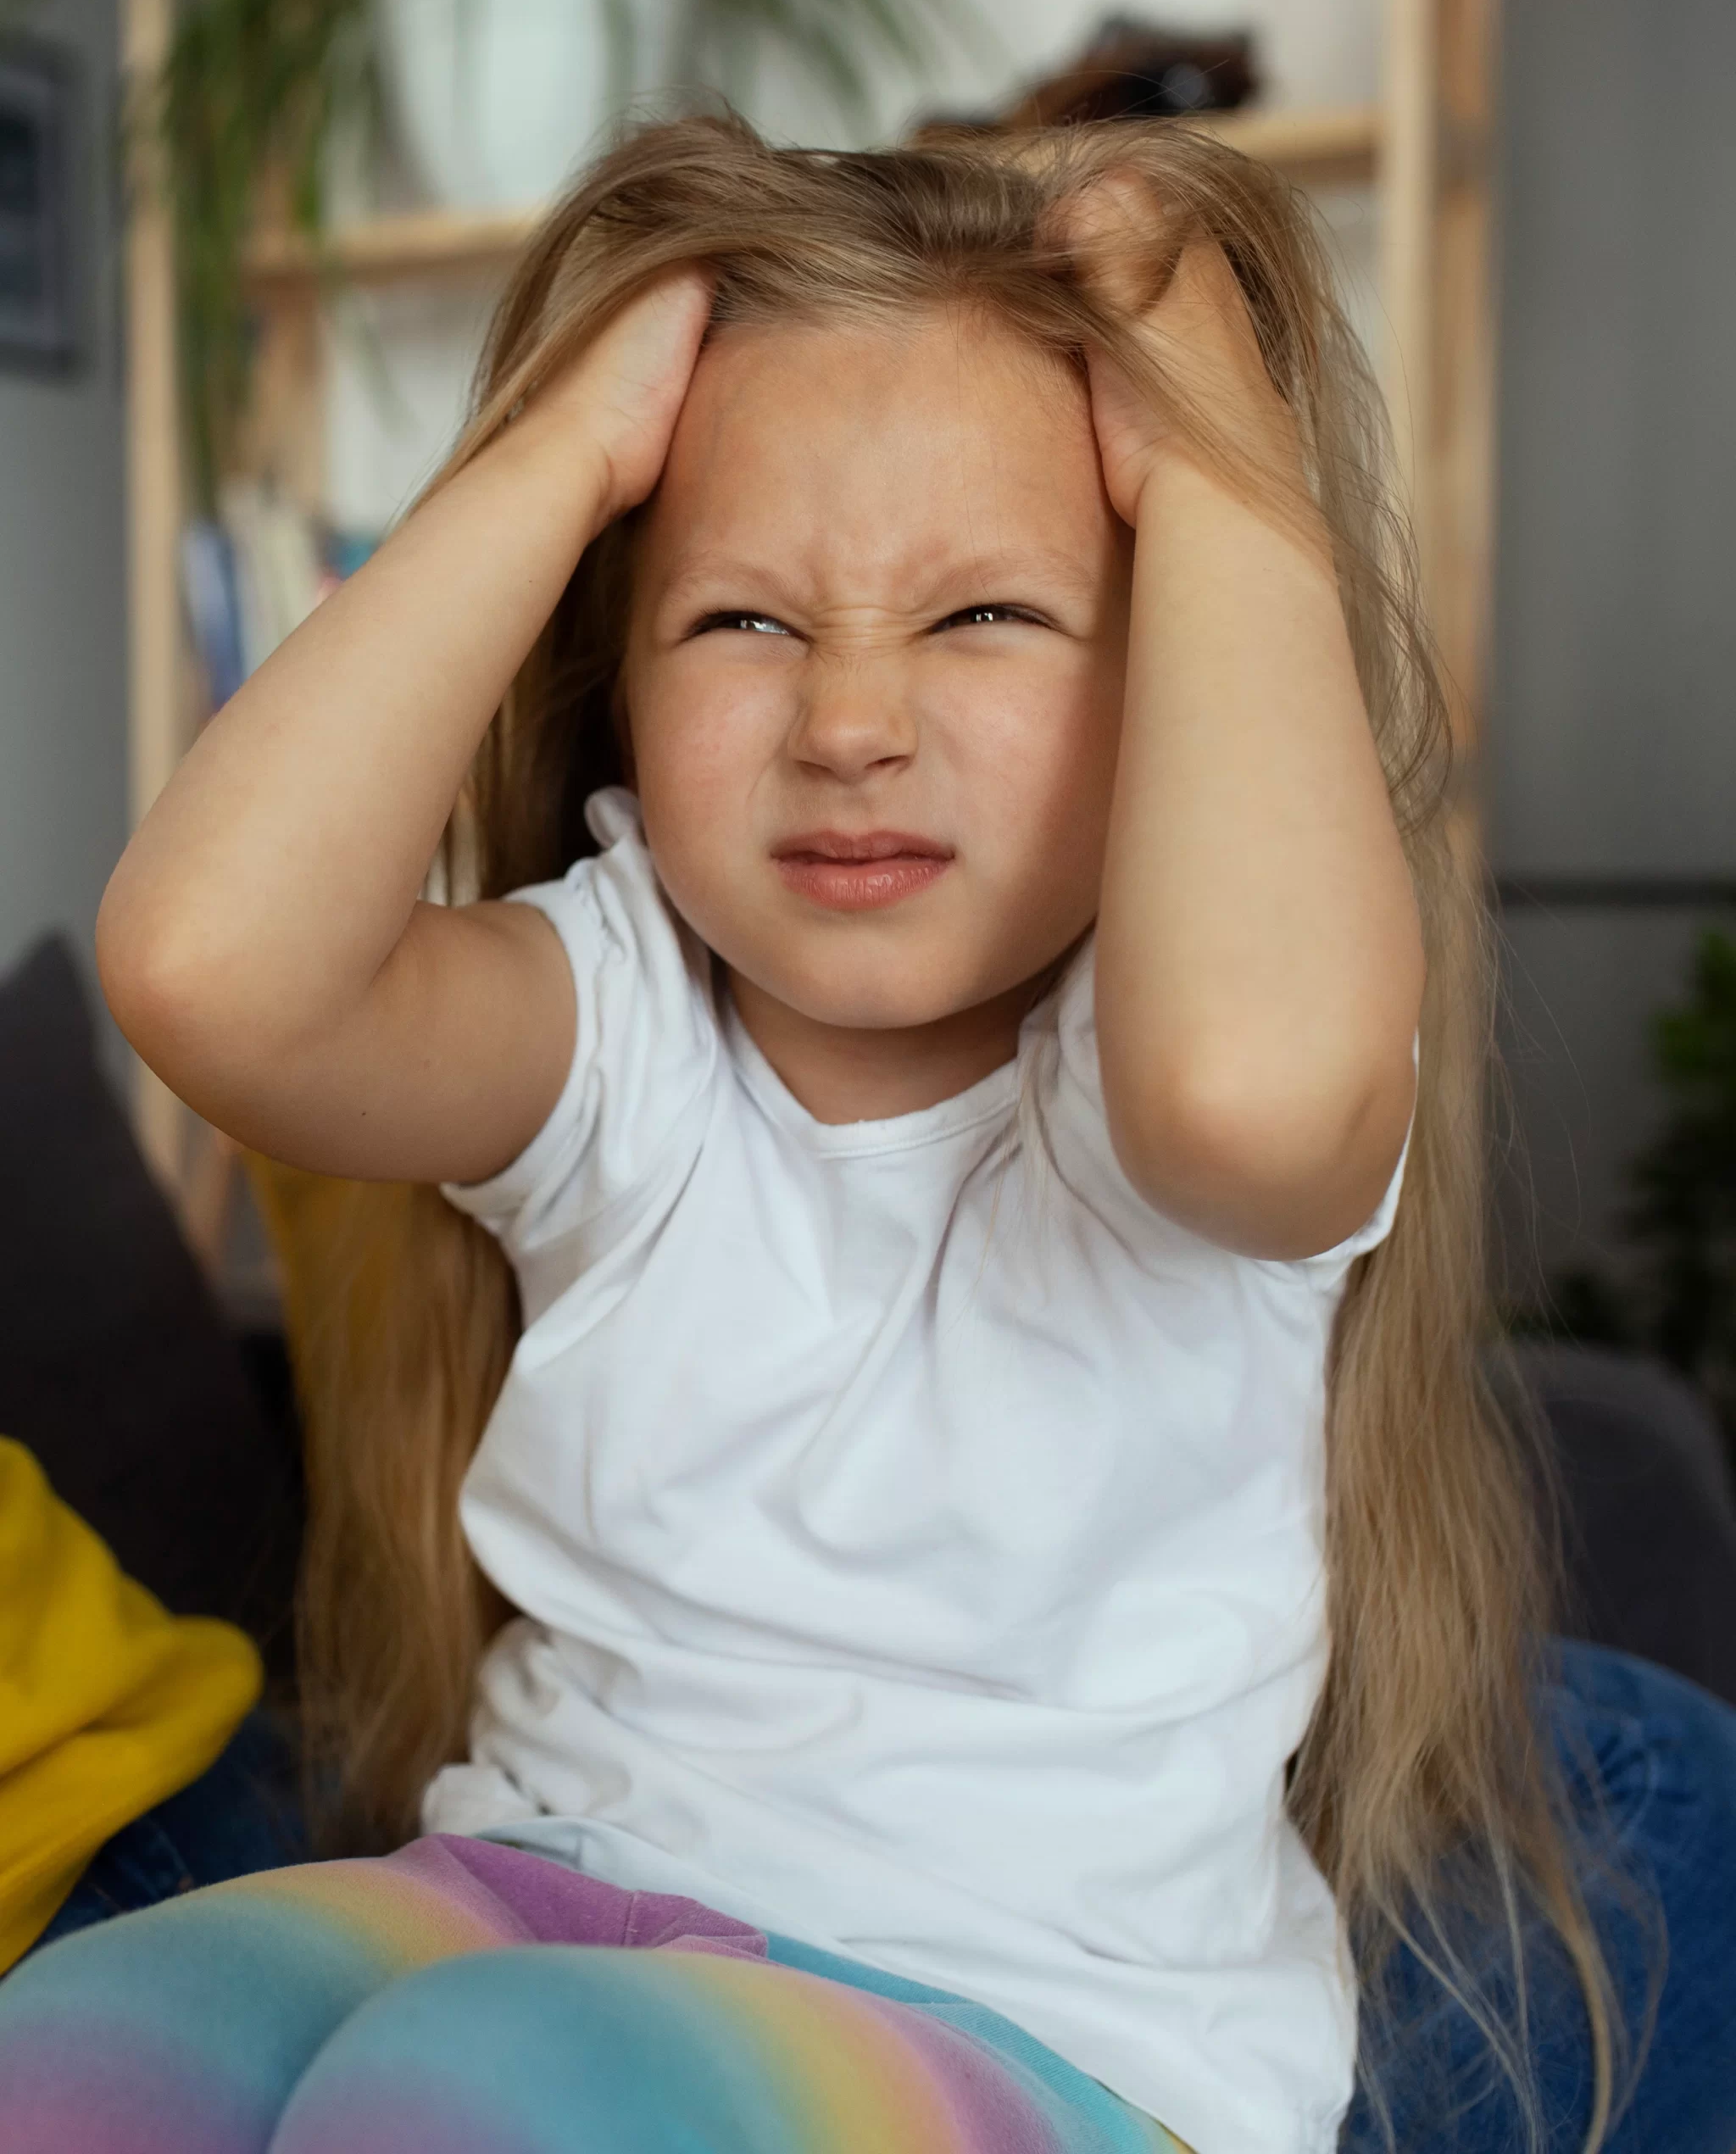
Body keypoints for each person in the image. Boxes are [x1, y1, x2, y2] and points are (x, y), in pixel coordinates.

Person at [2, 114, 1730, 2154]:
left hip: (1022, 2010)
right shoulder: (622, 1012)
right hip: (537, 1883)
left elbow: (1249, 1081)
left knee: (483, 2088)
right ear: (618, 667)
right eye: (739, 619)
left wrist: (1211, 428)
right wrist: (564, 449)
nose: (846, 722)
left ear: (1179, 656)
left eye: (986, 615)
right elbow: (209, 969)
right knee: (82, 2046)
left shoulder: (1186, 1045)